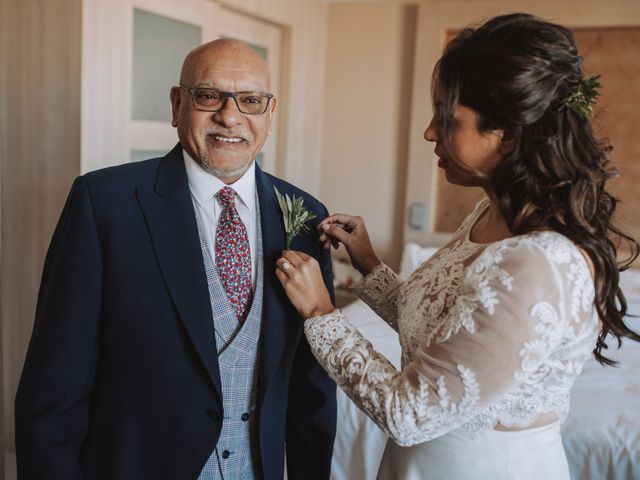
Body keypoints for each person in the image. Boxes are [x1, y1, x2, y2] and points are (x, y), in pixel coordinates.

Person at [274, 13, 640, 480]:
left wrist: (321, 314)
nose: (430, 132)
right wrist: (368, 264)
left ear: (507, 134)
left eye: (447, 117)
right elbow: (440, 332)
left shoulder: (538, 261)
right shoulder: (488, 215)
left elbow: (410, 413)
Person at [15, 39, 336, 479]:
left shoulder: (305, 217)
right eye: (208, 96)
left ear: (270, 113)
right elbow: (54, 389)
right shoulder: (104, 204)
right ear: (176, 104)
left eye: (250, 101)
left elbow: (310, 387)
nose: (229, 116)